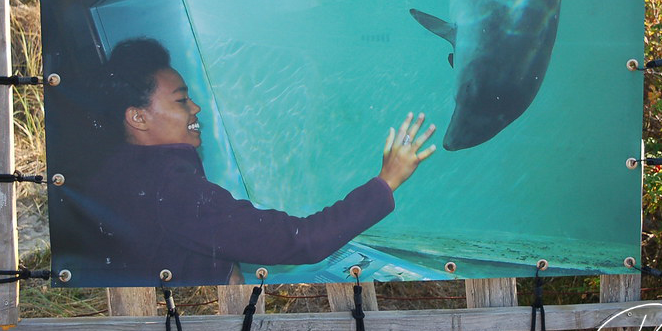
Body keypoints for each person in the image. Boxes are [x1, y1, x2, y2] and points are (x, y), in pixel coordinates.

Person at [74, 37, 436, 286]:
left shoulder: (115, 170)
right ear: (138, 117)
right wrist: (387, 181)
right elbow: (302, 240)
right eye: (182, 100)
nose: (195, 108)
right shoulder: (172, 187)